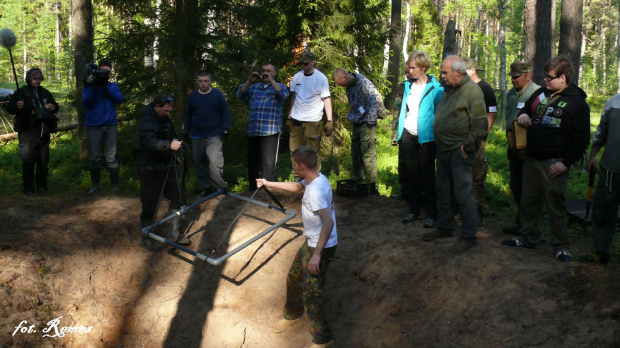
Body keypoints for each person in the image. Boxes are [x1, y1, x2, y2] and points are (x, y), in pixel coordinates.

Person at [501, 57, 590, 263]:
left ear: (563, 77)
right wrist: (523, 115)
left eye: (549, 78)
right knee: (528, 201)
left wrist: (565, 163)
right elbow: (526, 109)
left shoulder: (577, 102)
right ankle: (528, 237)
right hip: (532, 158)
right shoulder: (541, 93)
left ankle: (561, 245)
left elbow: (582, 139)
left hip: (554, 162)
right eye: (545, 77)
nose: (545, 80)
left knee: (555, 205)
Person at [257, 146, 337, 348]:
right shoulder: (314, 179)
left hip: (321, 246)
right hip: (311, 241)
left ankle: (323, 339)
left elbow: (328, 223)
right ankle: (293, 314)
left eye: (294, 165)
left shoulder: (317, 191)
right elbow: (297, 187)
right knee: (294, 277)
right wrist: (268, 183)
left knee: (311, 293)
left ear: (302, 166)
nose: (293, 168)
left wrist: (317, 255)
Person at [422, 56, 487, 253]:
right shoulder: (449, 90)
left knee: (463, 193)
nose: (442, 76)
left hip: (459, 151)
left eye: (444, 72)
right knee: (443, 190)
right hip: (443, 149)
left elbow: (480, 124)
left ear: (457, 72)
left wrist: (468, 147)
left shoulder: (472, 91)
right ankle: (445, 228)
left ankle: (469, 236)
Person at [390, 50, 443, 227]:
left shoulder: (436, 89)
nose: (409, 70)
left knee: (427, 175)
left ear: (423, 67)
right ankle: (413, 210)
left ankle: (431, 213)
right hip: (408, 134)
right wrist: (397, 133)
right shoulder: (406, 86)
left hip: (427, 137)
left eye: (413, 68)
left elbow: (440, 114)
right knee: (411, 174)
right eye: (409, 67)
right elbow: (401, 110)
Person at [136, 93, 190, 248]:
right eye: (165, 111)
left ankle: (173, 234)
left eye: (170, 111)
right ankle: (146, 236)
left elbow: (171, 138)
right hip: (149, 168)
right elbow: (148, 142)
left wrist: (175, 156)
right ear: (157, 106)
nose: (168, 114)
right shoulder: (147, 120)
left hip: (166, 166)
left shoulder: (165, 119)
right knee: (150, 205)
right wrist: (168, 146)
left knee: (180, 196)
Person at [579, 94, 620, 266]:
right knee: (603, 212)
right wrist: (593, 155)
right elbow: (602, 130)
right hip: (611, 169)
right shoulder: (615, 102)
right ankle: (600, 254)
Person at [237, 63, 290, 190]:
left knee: (268, 161)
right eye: (263, 70)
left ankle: (267, 187)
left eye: (269, 71)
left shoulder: (279, 87)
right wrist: (249, 81)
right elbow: (240, 94)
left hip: (270, 130)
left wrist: (271, 81)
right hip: (254, 129)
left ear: (274, 73)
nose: (265, 73)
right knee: (253, 160)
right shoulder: (254, 87)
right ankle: (253, 187)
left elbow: (284, 95)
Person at [7, 68, 59, 195]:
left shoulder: (45, 93)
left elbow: (56, 106)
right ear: (29, 79)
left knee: (43, 161)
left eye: (39, 79)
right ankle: (29, 189)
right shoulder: (21, 92)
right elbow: (10, 109)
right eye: (35, 78)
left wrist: (53, 107)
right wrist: (17, 106)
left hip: (44, 131)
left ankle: (42, 186)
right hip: (27, 131)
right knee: (28, 161)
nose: (37, 81)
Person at [331, 68, 382, 196]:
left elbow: (372, 104)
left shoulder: (364, 83)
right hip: (357, 123)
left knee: (368, 155)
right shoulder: (349, 87)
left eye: (339, 83)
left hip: (367, 123)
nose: (340, 86)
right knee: (356, 154)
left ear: (344, 77)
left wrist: (369, 124)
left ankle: (372, 187)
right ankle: (360, 185)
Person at [502, 61, 540, 235]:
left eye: (517, 77)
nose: (513, 80)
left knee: (529, 190)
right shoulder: (511, 93)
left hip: (529, 149)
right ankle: (520, 223)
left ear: (528, 75)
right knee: (516, 187)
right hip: (513, 146)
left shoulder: (538, 93)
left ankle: (530, 227)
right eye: (512, 77)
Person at [183, 71, 230, 195]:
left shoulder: (217, 94)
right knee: (199, 163)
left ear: (210, 81)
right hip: (197, 135)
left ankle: (220, 188)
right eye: (200, 81)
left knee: (215, 163)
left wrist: (225, 131)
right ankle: (206, 188)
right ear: (197, 82)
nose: (203, 83)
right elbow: (188, 114)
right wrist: (185, 132)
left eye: (205, 81)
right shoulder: (193, 96)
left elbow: (225, 113)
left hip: (214, 135)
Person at [288, 50, 333, 175]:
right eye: (301, 63)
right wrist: (289, 117)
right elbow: (294, 98)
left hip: (313, 121)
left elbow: (326, 99)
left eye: (306, 63)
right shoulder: (297, 77)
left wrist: (329, 120)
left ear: (313, 62)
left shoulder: (321, 78)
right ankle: (298, 177)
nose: (303, 65)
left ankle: (314, 177)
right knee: (295, 151)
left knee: (312, 152)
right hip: (296, 120)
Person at [83, 58, 124, 194]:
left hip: (110, 125)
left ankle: (115, 186)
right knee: (94, 157)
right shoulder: (89, 86)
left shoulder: (112, 86)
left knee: (111, 157)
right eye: (102, 72)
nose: (104, 75)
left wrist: (106, 88)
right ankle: (95, 185)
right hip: (94, 125)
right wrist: (92, 87)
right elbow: (86, 104)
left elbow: (119, 100)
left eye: (107, 73)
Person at [465, 59, 497, 224]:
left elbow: (492, 114)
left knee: (477, 175)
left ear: (472, 70)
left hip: (478, 139)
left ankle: (478, 210)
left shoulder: (485, 89)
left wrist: (482, 134)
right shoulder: (464, 87)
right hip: (463, 137)